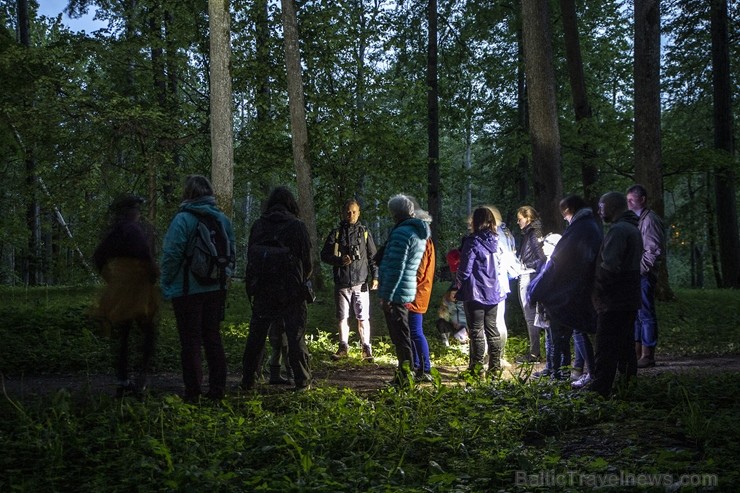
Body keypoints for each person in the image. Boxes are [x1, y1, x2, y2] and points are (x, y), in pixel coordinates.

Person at [160, 176, 235, 402]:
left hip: (187, 291)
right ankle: (217, 389)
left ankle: (193, 392)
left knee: (190, 341)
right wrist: (224, 279)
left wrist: (166, 284)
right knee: (213, 337)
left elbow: (172, 255)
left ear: (187, 194)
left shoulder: (182, 220)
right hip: (215, 289)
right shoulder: (222, 219)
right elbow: (231, 254)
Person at [241, 186, 313, 391]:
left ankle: (248, 379)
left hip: (263, 290)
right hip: (291, 291)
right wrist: (301, 279)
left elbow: (250, 259)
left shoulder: (259, 225)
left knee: (256, 335)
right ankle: (302, 380)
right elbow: (307, 262)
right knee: (295, 336)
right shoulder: (297, 226)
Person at [528, 195, 602, 381]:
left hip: (578, 288)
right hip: (584, 286)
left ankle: (589, 373)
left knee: (578, 330)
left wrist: (536, 288)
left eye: (564, 213)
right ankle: (590, 372)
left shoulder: (580, 229)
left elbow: (558, 261)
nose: (563, 217)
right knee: (579, 330)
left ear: (570, 210)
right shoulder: (589, 226)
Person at [93, 194, 159, 398]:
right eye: (137, 210)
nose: (138, 213)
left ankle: (122, 380)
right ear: (131, 212)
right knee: (148, 331)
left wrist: (110, 278)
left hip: (120, 288)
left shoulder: (113, 232)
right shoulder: (133, 230)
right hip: (137, 287)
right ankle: (141, 376)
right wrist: (153, 275)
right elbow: (145, 254)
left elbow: (98, 257)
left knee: (123, 334)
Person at [586, 192, 643, 397]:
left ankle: (600, 389)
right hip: (628, 296)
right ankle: (627, 386)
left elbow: (610, 267)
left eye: (601, 207)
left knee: (606, 344)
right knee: (625, 344)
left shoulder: (618, 231)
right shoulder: (632, 229)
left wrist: (598, 290)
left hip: (614, 299)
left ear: (611, 207)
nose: (599, 211)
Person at [377, 194, 428, 386]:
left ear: (395, 213)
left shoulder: (401, 233)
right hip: (406, 289)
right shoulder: (417, 232)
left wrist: (387, 297)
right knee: (403, 334)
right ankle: (405, 374)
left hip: (397, 292)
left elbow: (395, 268)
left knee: (400, 336)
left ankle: (405, 377)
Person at [320, 199, 379, 362]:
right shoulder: (336, 233)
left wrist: (375, 277)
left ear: (359, 213)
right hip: (342, 282)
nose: (351, 215)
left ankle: (366, 348)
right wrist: (339, 260)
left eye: (354, 212)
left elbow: (373, 257)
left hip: (361, 282)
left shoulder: (365, 232)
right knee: (342, 317)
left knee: (363, 317)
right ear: (343, 213)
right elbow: (324, 255)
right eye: (348, 212)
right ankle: (343, 346)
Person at [456, 207, 504, 378]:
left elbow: (465, 269)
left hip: (474, 291)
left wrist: (457, 285)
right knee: (492, 328)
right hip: (493, 291)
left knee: (476, 330)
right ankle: (495, 367)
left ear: (475, 221)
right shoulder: (497, 240)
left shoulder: (472, 241)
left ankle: (476, 368)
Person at [626, 184, 665, 368]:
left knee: (646, 313)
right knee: (637, 314)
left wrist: (640, 270)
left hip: (644, 275)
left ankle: (648, 354)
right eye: (627, 200)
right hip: (637, 274)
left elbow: (653, 250)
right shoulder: (639, 219)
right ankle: (638, 352)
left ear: (642, 199)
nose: (628, 203)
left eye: (631, 200)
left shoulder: (649, 220)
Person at [406, 203, 435, 382]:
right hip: (418, 291)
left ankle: (425, 368)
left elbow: (418, 270)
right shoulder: (426, 241)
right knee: (412, 330)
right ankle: (417, 365)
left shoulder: (423, 243)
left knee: (416, 331)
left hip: (417, 293)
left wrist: (407, 287)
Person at [486, 205, 518, 366]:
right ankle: (497, 355)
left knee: (495, 321)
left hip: (494, 283)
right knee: (498, 320)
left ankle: (494, 356)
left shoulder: (496, 234)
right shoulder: (506, 233)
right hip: (501, 282)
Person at [514, 206, 546, 363]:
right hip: (528, 274)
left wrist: (526, 266)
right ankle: (536, 352)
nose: (518, 222)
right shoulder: (532, 232)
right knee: (532, 315)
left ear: (528, 218)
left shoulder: (533, 233)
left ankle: (534, 354)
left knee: (530, 315)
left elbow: (542, 257)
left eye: (520, 219)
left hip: (529, 275)